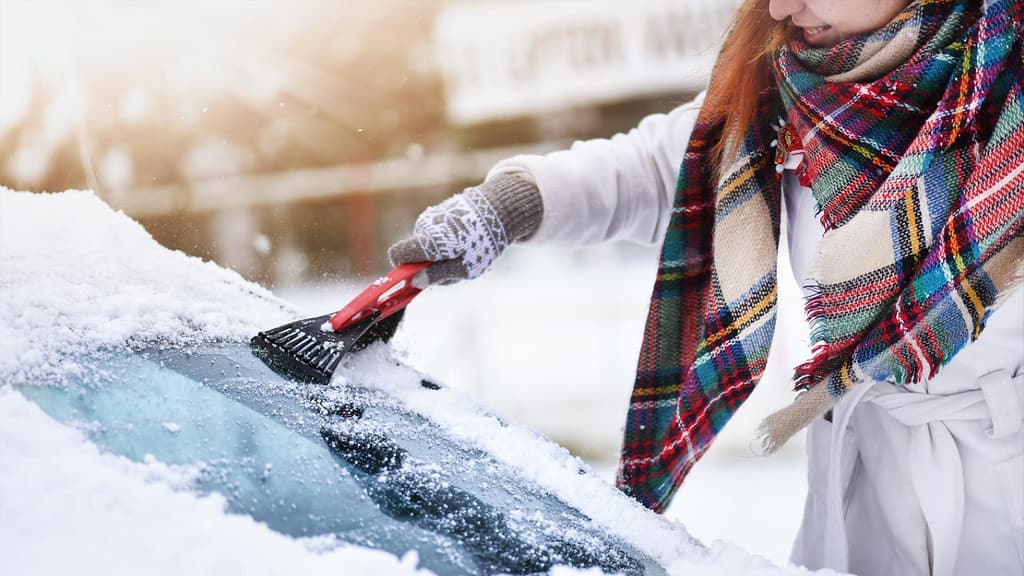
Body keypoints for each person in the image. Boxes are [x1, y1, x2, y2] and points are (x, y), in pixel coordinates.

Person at [389, 0, 1023, 574]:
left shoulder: (1010, 95)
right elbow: (653, 166)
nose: (782, 7)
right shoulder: (789, 93)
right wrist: (507, 207)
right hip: (868, 498)